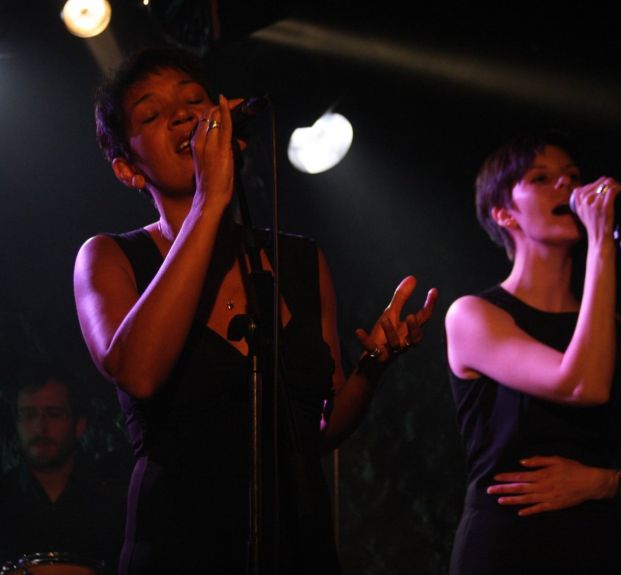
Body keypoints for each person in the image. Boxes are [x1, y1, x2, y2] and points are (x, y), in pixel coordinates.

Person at [73, 47, 437, 575]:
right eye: (152, 115)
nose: (181, 114)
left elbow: (317, 431)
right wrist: (208, 203)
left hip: (297, 547)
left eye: (194, 99)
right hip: (180, 551)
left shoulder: (301, 260)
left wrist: (374, 365)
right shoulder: (109, 257)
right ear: (128, 170)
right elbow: (139, 371)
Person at [445, 134, 621, 574]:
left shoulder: (615, 332)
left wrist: (603, 483)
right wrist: (601, 243)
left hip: (596, 550)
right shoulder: (472, 315)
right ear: (504, 213)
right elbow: (580, 384)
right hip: (506, 551)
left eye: (572, 176)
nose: (566, 184)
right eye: (541, 178)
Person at [0, 363, 128, 574]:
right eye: (29, 414)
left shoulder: (113, 501)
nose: (40, 427)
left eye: (54, 414)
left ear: (79, 425)